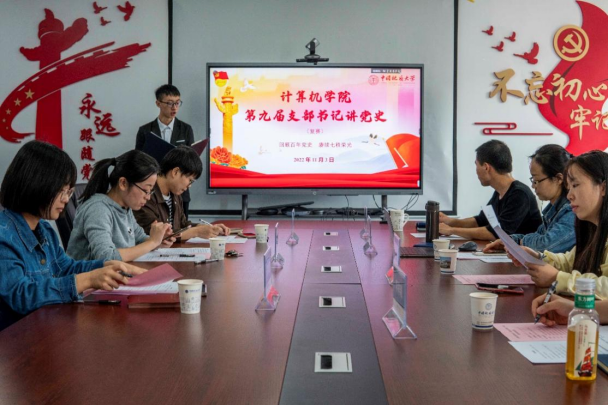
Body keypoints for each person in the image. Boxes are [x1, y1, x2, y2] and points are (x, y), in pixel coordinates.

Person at [0, 141, 146, 331]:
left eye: (68, 191)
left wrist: (106, 266)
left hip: (46, 328)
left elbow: (65, 267)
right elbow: (21, 296)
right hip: (16, 341)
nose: (66, 199)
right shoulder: (4, 235)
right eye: (61, 190)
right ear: (35, 184)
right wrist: (87, 280)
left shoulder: (44, 229)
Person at [508, 151, 608, 299]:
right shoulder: (592, 229)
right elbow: (570, 261)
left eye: (575, 185)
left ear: (603, 188)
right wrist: (538, 257)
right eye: (569, 187)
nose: (569, 195)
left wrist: (557, 278)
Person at [67, 150, 176, 262]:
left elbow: (140, 239)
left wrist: (158, 241)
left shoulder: (125, 207)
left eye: (150, 191)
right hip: (91, 273)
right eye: (146, 190)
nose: (148, 197)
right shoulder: (98, 209)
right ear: (123, 183)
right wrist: (152, 242)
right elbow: (106, 257)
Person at [439, 140, 542, 241]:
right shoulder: (499, 192)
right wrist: (449, 221)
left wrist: (452, 230)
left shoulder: (519, 194)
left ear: (486, 167)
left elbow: (498, 233)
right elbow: (480, 221)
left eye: (476, 165)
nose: (476, 171)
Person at [484, 145, 575, 254]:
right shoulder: (552, 210)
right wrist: (510, 241)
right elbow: (538, 235)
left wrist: (521, 241)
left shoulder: (571, 211)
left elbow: (546, 246)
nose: (533, 186)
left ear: (558, 179)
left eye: (536, 180)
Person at [134, 146, 230, 239]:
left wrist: (207, 228)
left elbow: (183, 225)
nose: (189, 185)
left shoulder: (175, 194)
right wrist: (197, 232)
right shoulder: (146, 195)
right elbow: (157, 234)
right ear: (175, 172)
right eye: (190, 180)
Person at [135, 84, 194, 216]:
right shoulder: (145, 130)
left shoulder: (186, 129)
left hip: (179, 189)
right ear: (158, 103)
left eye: (177, 103)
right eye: (169, 103)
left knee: (181, 225)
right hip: (153, 189)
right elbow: (137, 161)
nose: (174, 107)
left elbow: (191, 161)